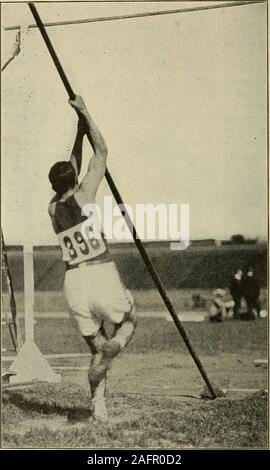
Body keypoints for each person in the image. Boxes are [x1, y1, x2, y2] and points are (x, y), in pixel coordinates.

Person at [48, 96, 137, 422]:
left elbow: (71, 166)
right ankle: (118, 344)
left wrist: (78, 132)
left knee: (95, 349)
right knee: (130, 317)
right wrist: (85, 113)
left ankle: (98, 406)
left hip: (74, 283)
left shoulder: (53, 208)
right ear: (73, 177)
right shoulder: (84, 194)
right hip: (100, 271)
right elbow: (102, 152)